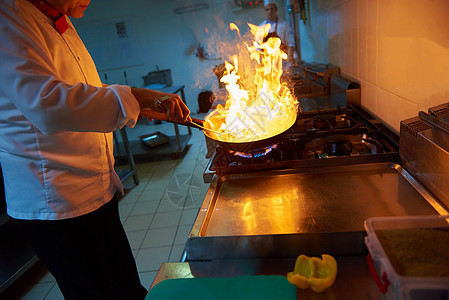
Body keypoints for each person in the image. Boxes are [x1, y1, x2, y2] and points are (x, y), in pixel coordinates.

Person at [0, 0, 190, 299]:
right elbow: (47, 104)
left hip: (94, 186)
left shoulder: (56, 16)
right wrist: (134, 98)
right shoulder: (8, 17)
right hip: (56, 199)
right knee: (96, 294)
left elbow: (80, 87)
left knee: (126, 288)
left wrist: (135, 102)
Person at [256, 0, 297, 65]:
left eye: (272, 9)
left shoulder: (284, 25)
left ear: (276, 10)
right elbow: (258, 48)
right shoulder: (261, 27)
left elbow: (291, 43)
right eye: (267, 9)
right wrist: (259, 63)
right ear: (265, 12)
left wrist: (290, 57)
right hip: (267, 63)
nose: (270, 12)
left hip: (283, 62)